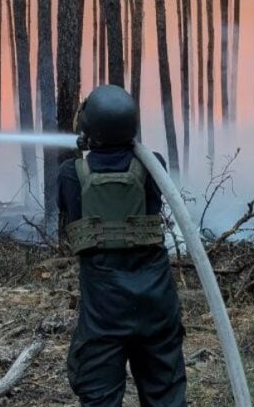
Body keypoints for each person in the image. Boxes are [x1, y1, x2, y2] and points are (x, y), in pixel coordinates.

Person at [58, 85, 187, 406]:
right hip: (156, 303)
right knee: (166, 396)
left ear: (89, 126)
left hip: (104, 312)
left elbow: (69, 218)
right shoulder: (152, 165)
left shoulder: (71, 174)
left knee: (100, 398)